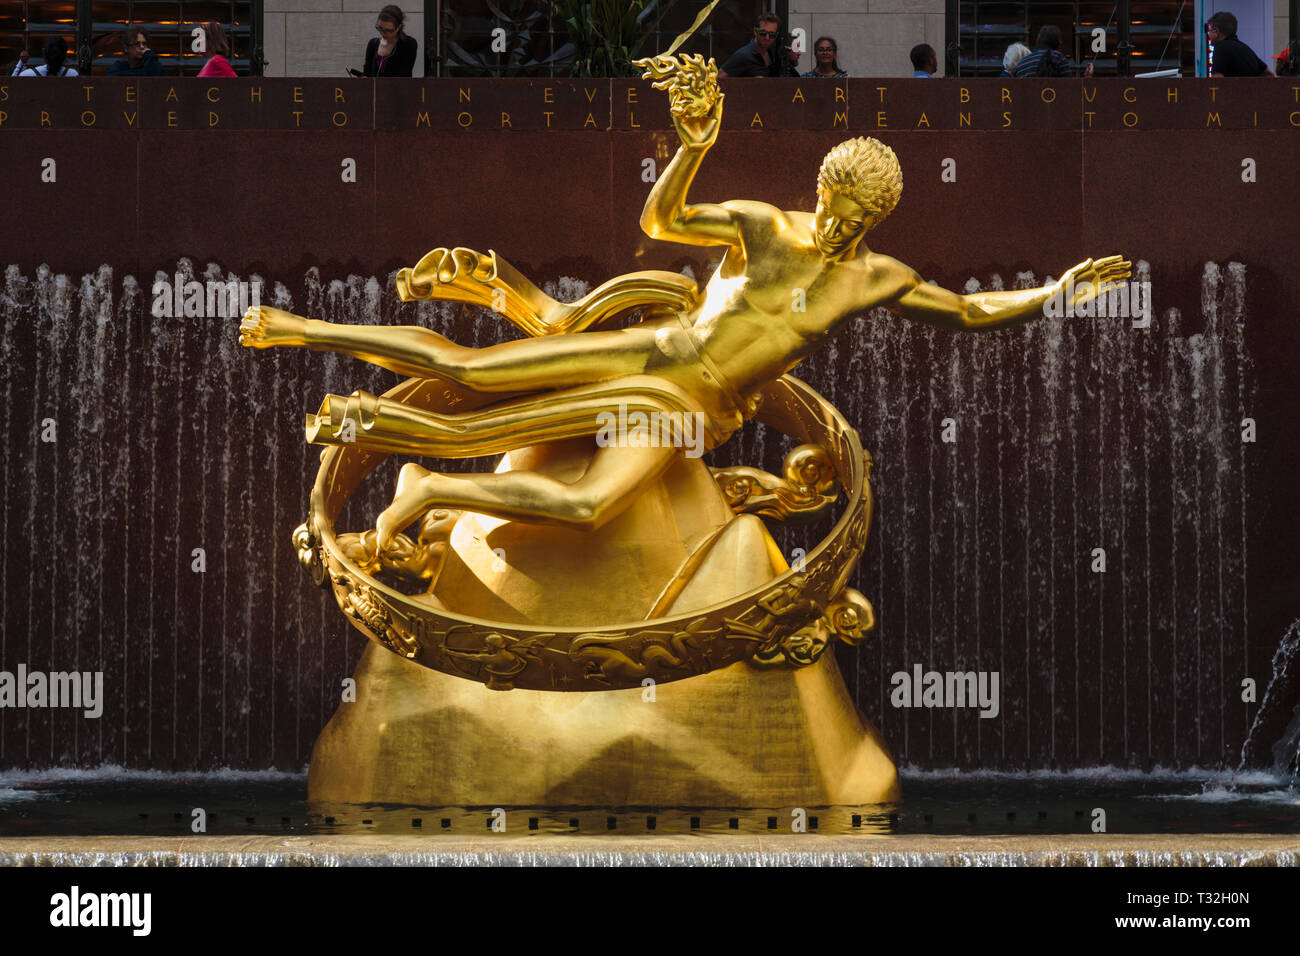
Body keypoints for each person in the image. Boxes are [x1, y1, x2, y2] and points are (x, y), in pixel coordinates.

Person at [239, 56, 1127, 540]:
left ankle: (429, 484)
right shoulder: (765, 224)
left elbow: (968, 313)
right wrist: (694, 144)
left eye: (852, 213)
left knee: (590, 507)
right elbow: (661, 217)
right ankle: (301, 329)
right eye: (828, 200)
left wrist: (1055, 291)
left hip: (691, 412)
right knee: (477, 373)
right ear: (817, 189)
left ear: (878, 216)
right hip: (660, 353)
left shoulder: (877, 279)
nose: (831, 220)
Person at [718, 14, 799, 77]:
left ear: (776, 36)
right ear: (755, 32)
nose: (767, 38)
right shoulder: (743, 55)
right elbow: (718, 79)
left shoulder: (775, 53)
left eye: (772, 35)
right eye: (763, 33)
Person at [1206, 12, 1271, 76]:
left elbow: (1217, 80)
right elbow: (1269, 73)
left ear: (1216, 31)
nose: (1208, 34)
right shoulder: (1245, 48)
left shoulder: (1220, 47)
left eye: (1209, 31)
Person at [1014, 25, 1093, 77]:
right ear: (1058, 43)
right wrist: (1087, 78)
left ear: (1037, 41)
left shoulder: (1022, 63)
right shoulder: (1058, 58)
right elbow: (1070, 89)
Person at [364, 4, 418, 77]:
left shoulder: (408, 44)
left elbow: (404, 75)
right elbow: (367, 74)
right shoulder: (373, 44)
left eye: (388, 30)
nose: (383, 33)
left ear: (398, 27)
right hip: (373, 88)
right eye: (380, 28)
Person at [12, 37, 78, 76]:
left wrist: (21, 63)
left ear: (43, 53)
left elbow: (12, 87)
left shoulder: (27, 75)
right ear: (66, 55)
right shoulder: (73, 75)